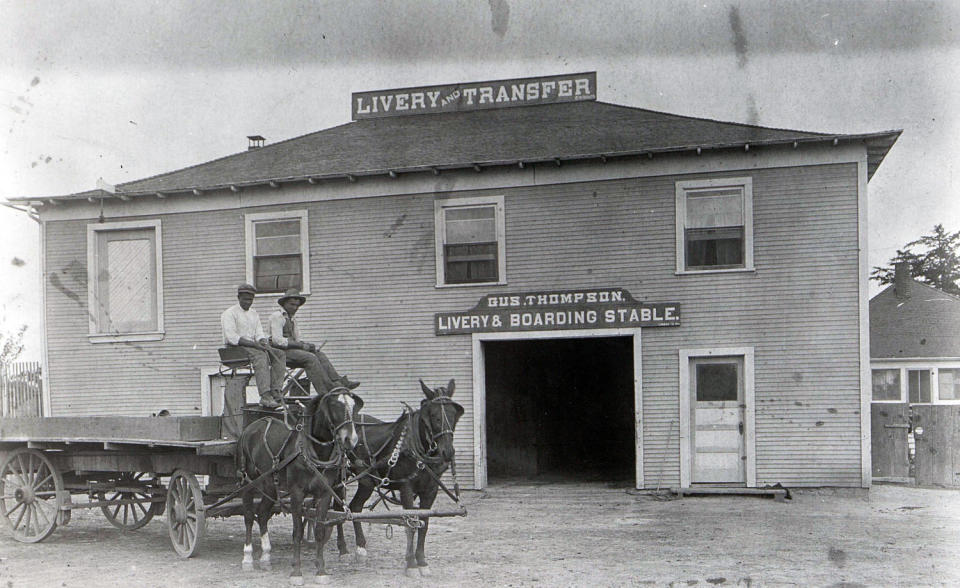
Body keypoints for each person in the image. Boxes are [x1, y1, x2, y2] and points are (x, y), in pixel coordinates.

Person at [268, 288, 360, 395]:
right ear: (284, 303)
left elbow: (297, 340)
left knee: (319, 354)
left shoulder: (292, 319)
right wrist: (301, 346)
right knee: (310, 358)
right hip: (279, 353)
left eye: (297, 306)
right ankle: (325, 390)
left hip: (292, 351)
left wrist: (307, 345)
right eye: (292, 304)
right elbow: (277, 341)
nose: (295, 308)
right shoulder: (277, 316)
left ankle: (338, 382)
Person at [221, 283, 286, 408]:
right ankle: (265, 396)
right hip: (234, 348)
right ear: (238, 297)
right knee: (261, 356)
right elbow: (232, 338)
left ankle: (276, 391)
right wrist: (256, 345)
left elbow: (259, 333)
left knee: (279, 354)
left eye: (250, 299)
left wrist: (262, 341)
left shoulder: (254, 313)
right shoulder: (229, 313)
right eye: (245, 299)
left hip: (252, 346)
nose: (248, 302)